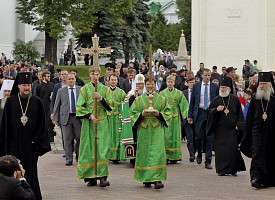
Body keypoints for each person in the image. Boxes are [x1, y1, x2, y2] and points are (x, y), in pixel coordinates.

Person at [0, 72, 51, 200]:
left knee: (30, 173)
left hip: (30, 146)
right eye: (23, 85)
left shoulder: (37, 102)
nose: (26, 88)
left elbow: (42, 124)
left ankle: (31, 196)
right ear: (18, 86)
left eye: (28, 85)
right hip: (13, 145)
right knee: (12, 171)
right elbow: (5, 124)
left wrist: (37, 139)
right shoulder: (11, 101)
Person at [130, 78, 172, 189]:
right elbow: (132, 113)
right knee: (145, 153)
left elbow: (168, 112)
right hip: (144, 129)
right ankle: (146, 178)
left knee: (157, 153)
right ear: (144, 85)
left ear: (155, 84)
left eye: (152, 84)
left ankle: (157, 178)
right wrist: (141, 114)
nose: (150, 86)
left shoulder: (162, 99)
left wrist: (159, 114)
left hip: (156, 128)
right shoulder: (139, 100)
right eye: (148, 84)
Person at [76, 67, 113, 187]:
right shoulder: (85, 89)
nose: (95, 75)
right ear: (89, 74)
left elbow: (111, 105)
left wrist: (101, 99)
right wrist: (90, 115)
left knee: (102, 149)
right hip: (89, 124)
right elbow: (79, 106)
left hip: (102, 123)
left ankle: (102, 177)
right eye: (92, 73)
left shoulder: (105, 89)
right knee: (89, 149)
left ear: (100, 74)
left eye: (97, 73)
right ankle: (90, 177)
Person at [241, 72, 275, 188]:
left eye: (265, 84)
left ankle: (270, 179)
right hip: (257, 131)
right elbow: (250, 118)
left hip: (271, 132)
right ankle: (256, 177)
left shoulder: (274, 98)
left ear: (270, 84)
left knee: (271, 154)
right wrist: (247, 134)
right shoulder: (255, 98)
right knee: (257, 154)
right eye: (261, 83)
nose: (262, 86)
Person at [207, 76, 246, 176]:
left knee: (232, 150)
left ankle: (233, 170)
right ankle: (222, 170)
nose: (222, 89)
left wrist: (239, 125)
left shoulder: (234, 99)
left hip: (232, 130)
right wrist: (216, 110)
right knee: (220, 152)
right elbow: (209, 112)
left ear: (229, 88)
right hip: (219, 130)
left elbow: (240, 114)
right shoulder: (216, 100)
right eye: (221, 87)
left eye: (224, 87)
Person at [188, 68, 219, 169]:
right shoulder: (196, 86)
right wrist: (190, 115)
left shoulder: (215, 87)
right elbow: (192, 101)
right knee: (198, 136)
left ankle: (208, 161)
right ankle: (200, 153)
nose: (207, 77)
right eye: (205, 75)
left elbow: (217, 100)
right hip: (200, 113)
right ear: (202, 76)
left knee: (209, 137)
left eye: (209, 75)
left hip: (210, 113)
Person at [53, 73, 82, 166]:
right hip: (66, 118)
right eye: (69, 79)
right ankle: (69, 158)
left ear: (75, 79)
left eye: (72, 79)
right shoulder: (61, 91)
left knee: (79, 138)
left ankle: (79, 156)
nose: (71, 80)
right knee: (67, 139)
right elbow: (57, 104)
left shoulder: (80, 90)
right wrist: (55, 118)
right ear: (66, 80)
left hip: (78, 118)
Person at [160, 75, 189, 164]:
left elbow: (184, 104)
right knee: (166, 136)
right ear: (166, 83)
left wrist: (186, 115)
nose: (170, 84)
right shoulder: (162, 93)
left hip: (175, 117)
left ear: (174, 83)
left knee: (175, 136)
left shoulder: (179, 93)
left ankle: (175, 156)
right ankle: (166, 155)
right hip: (166, 117)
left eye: (172, 82)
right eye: (168, 82)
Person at [108, 75, 126, 164]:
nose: (113, 81)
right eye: (112, 80)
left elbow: (124, 104)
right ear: (109, 81)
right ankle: (109, 155)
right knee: (109, 135)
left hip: (118, 117)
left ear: (117, 81)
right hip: (108, 116)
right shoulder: (105, 91)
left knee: (117, 136)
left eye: (115, 80)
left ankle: (117, 156)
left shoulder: (121, 92)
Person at [36, 71, 55, 142]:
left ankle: (51, 138)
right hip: (42, 106)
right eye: (47, 76)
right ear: (43, 77)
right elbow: (37, 96)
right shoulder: (39, 86)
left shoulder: (52, 85)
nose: (49, 78)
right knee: (43, 122)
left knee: (50, 123)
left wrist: (52, 97)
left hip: (50, 106)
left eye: (49, 76)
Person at [183, 77, 196, 162]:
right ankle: (191, 154)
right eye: (190, 82)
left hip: (196, 118)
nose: (192, 84)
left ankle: (196, 151)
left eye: (193, 82)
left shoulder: (198, 92)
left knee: (197, 136)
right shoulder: (183, 93)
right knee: (189, 137)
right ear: (187, 83)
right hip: (186, 118)